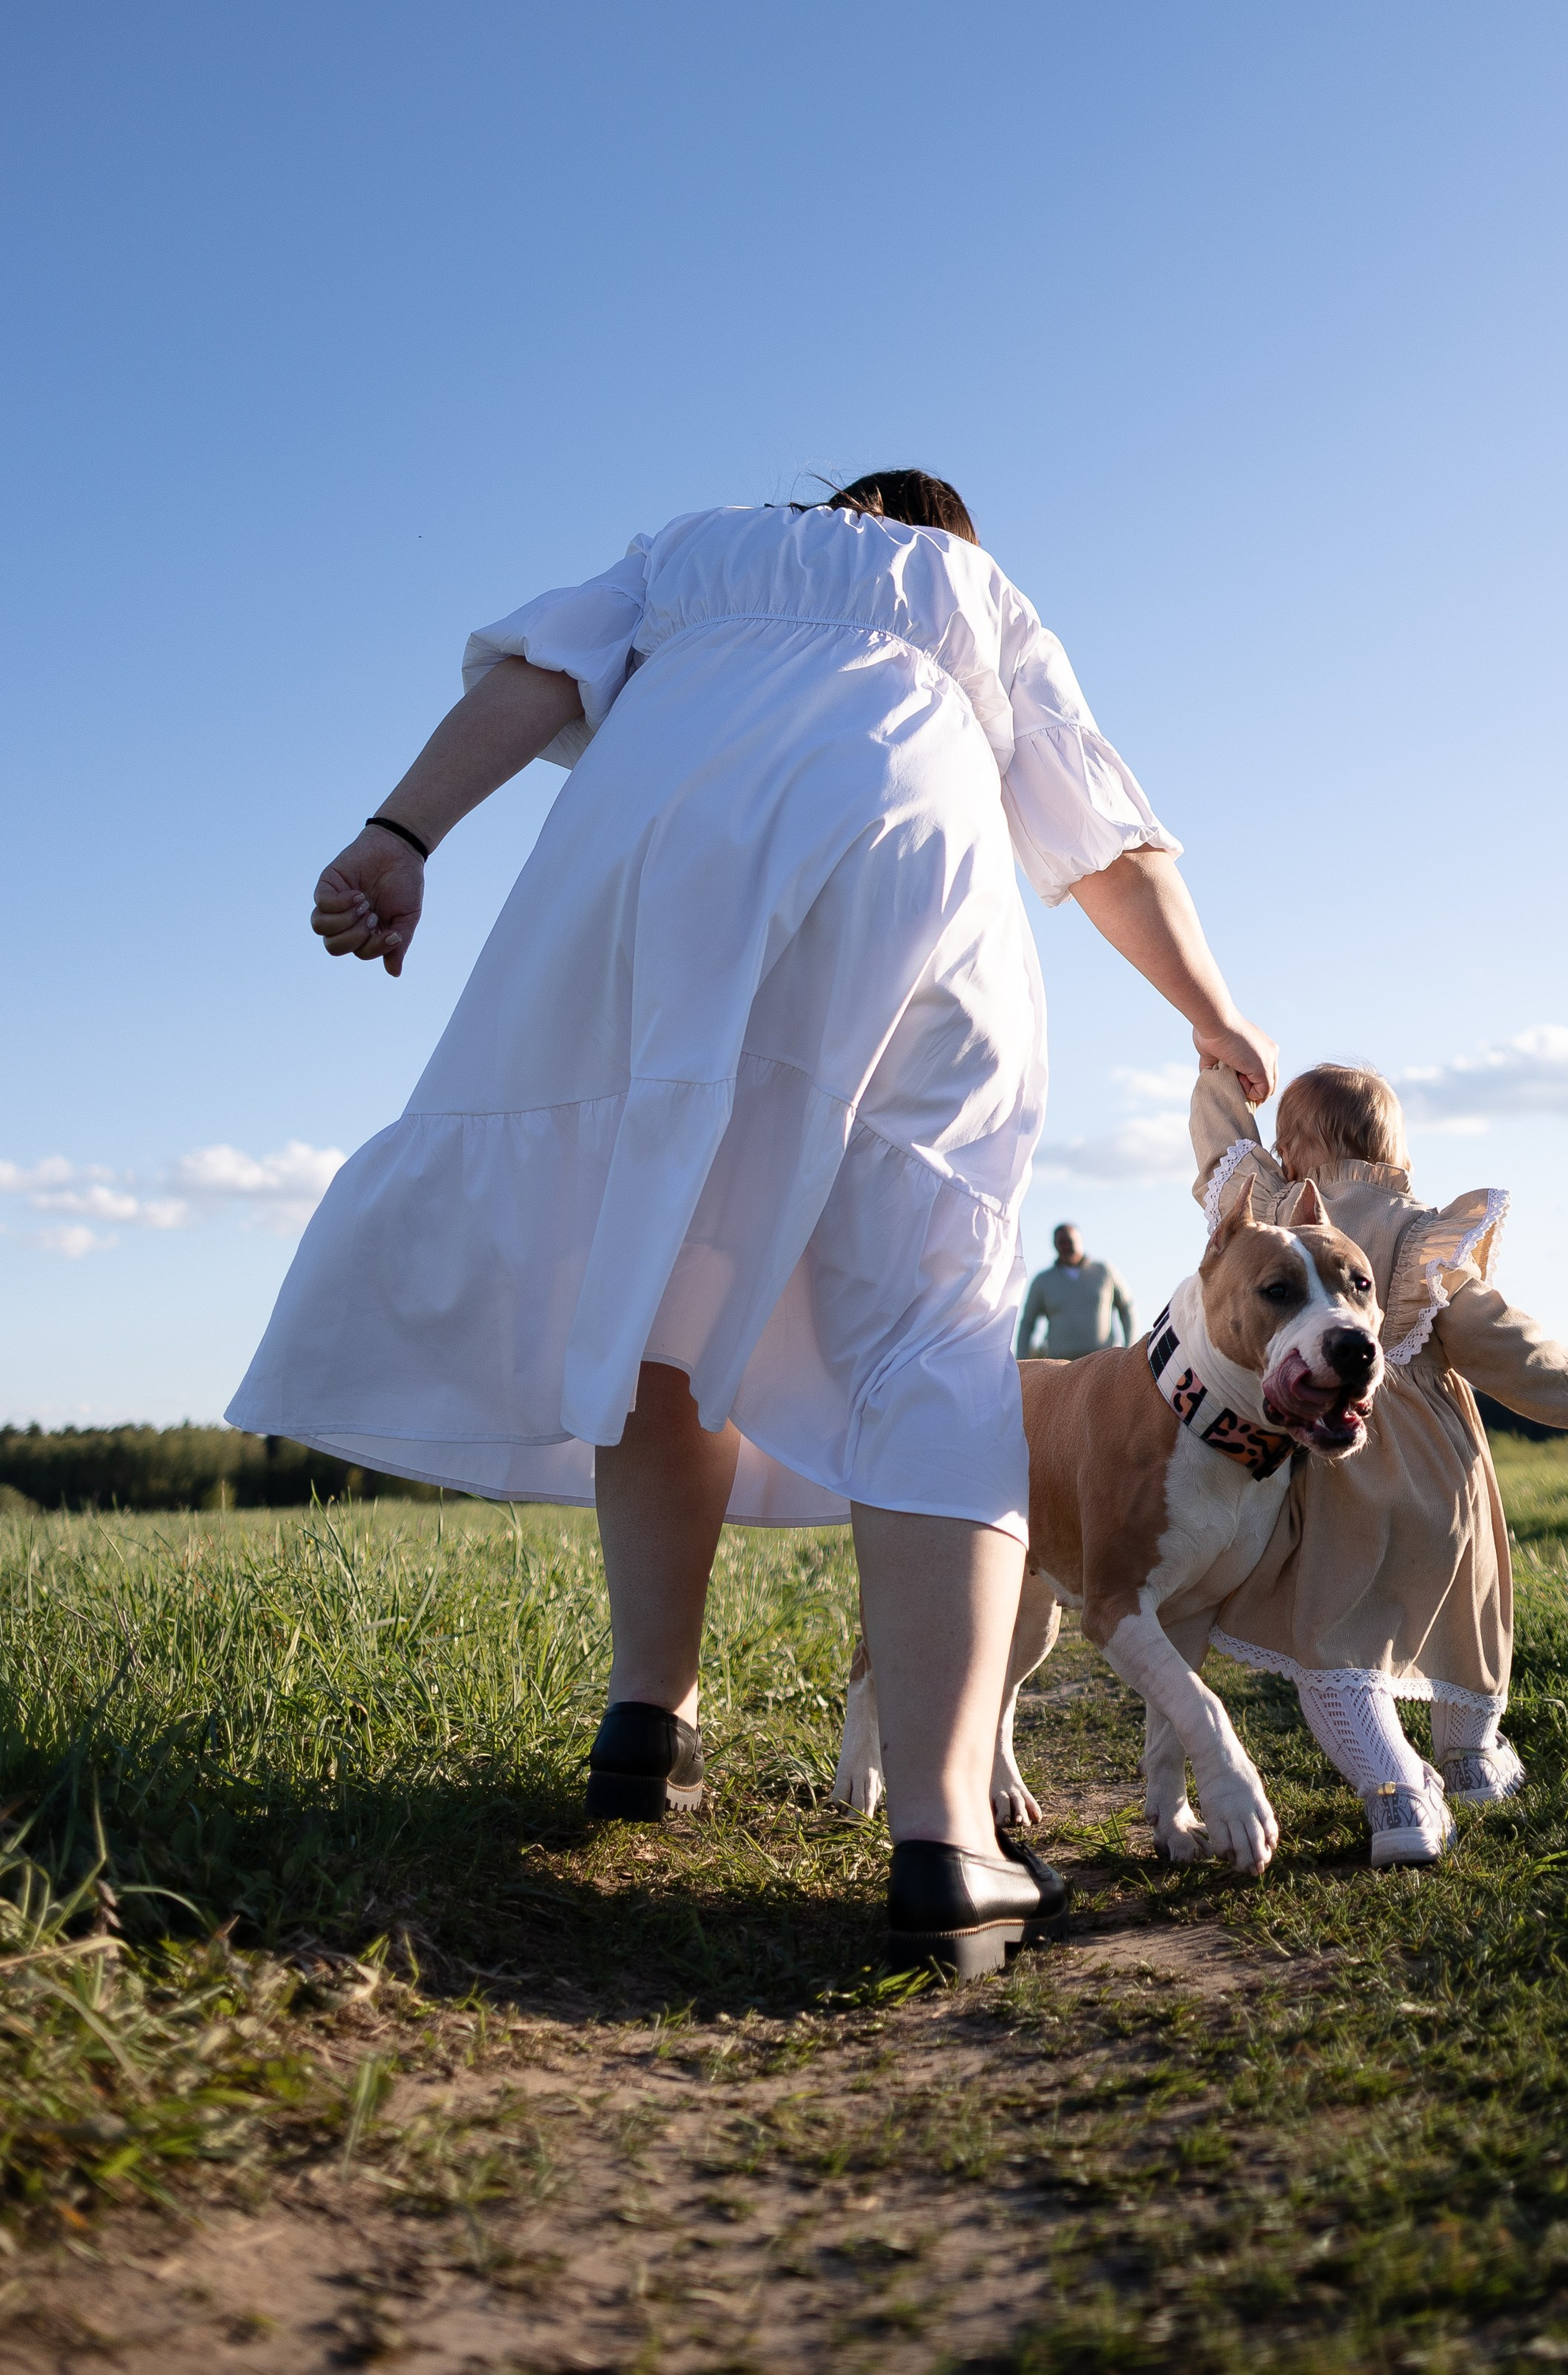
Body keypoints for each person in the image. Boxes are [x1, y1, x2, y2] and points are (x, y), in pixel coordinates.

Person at [228, 471, 1275, 1974]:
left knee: (656, 1262)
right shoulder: (965, 592)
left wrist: (401, 833)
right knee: (935, 1318)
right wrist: (1212, 1011)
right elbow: (1099, 827)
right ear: (941, 536)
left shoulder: (697, 550)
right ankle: (944, 1840)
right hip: (907, 852)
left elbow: (538, 677)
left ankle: (649, 1718)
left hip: (652, 851)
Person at [1189, 1061, 1568, 1868]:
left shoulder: (1278, 1213)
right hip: (1434, 1463)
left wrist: (1219, 1072)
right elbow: (1496, 1334)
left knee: (1335, 1634)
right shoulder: (1423, 1231)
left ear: (1291, 1145)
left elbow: (1220, 1152)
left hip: (1324, 1449)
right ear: (1394, 1148)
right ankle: (1469, 1760)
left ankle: (1393, 1796)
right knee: (1464, 1606)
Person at [1016, 1223, 1134, 1357]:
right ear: (1055, 1245)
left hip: (1104, 1364)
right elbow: (1027, 1323)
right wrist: (1021, 1364)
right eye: (1061, 1242)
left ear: (1080, 1242)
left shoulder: (1105, 1272)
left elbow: (1127, 1308)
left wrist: (1130, 1349)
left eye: (1070, 1241)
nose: (1066, 1246)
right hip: (1062, 1368)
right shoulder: (1042, 1281)